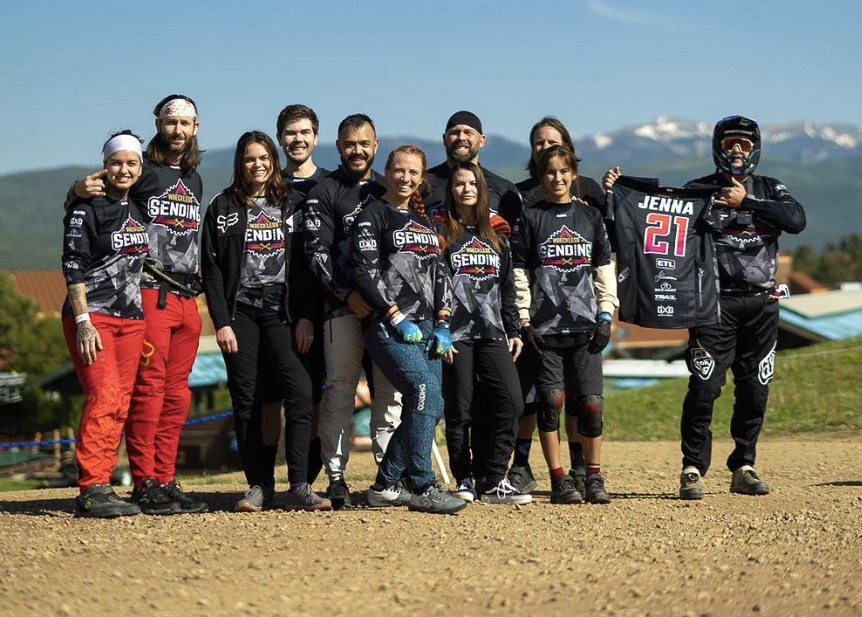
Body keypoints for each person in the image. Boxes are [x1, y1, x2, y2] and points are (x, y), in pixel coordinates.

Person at [604, 115, 806, 499]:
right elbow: (652, 218)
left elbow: (797, 220)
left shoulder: (770, 188)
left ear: (755, 150)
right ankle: (692, 468)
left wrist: (747, 201)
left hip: (762, 305)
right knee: (704, 386)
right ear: (717, 146)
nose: (736, 151)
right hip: (711, 305)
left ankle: (744, 465)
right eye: (730, 143)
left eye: (744, 145)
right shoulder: (699, 190)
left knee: (755, 388)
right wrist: (619, 194)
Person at [69, 94, 207, 515]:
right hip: (145, 293)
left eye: (186, 123)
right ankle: (143, 481)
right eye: (170, 122)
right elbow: (94, 196)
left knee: (176, 396)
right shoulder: (140, 170)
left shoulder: (194, 178)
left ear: (196, 128)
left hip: (186, 297)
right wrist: (74, 188)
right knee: (145, 392)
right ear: (158, 125)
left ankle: (164, 478)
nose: (178, 129)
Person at [201, 131, 331, 512]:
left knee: (301, 392)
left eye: (263, 158)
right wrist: (221, 322)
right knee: (248, 401)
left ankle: (300, 484)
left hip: (284, 312)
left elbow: (309, 267)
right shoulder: (222, 205)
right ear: (239, 164)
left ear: (273, 161)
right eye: (248, 159)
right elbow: (210, 269)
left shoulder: (295, 203)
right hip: (240, 314)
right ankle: (259, 486)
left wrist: (306, 315)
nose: (257, 165)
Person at [353, 145, 464, 515]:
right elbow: (364, 272)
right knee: (422, 390)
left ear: (421, 178)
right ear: (387, 170)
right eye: (399, 170)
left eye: (413, 173)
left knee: (432, 404)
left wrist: (445, 323)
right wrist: (395, 315)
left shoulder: (425, 223)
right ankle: (422, 484)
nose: (405, 178)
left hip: (430, 327)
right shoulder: (373, 216)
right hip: (388, 325)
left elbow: (441, 273)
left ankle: (386, 485)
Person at [509, 116, 611, 499]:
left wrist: (605, 315)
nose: (556, 178)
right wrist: (523, 319)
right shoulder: (531, 218)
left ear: (573, 173)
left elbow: (604, 271)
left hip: (585, 327)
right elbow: (519, 272)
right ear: (541, 175)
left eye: (563, 171)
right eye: (549, 172)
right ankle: (558, 477)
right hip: (546, 329)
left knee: (592, 405)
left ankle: (594, 475)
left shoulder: (590, 217)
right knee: (550, 402)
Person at [304, 114, 401, 509]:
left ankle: (388, 476)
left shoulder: (388, 189)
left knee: (391, 395)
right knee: (340, 392)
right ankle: (337, 478)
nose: (357, 150)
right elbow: (316, 253)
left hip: (387, 313)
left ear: (376, 146)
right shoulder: (323, 191)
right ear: (338, 146)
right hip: (340, 311)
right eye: (349, 143)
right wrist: (346, 296)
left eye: (364, 143)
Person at [62, 131, 149, 518]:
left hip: (131, 319)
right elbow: (72, 264)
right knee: (104, 397)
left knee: (121, 404)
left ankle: (105, 483)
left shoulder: (140, 208)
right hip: (92, 317)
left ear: (140, 167)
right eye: (117, 162)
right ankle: (91, 487)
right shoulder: (86, 208)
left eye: (131, 163)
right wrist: (82, 321)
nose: (123, 169)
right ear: (105, 165)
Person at [439, 162, 530, 505]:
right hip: (456, 335)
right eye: (459, 183)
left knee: (512, 401)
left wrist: (515, 328)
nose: (466, 188)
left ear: (481, 190)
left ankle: (493, 479)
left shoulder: (496, 237)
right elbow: (435, 287)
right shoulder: (444, 236)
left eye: (472, 183)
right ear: (451, 191)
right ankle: (464, 477)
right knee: (460, 410)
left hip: (493, 332)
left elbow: (507, 289)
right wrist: (441, 328)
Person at [257, 104, 331, 486]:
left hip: (319, 306)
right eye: (290, 133)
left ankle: (308, 469)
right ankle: (265, 477)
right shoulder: (267, 186)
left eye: (304, 132)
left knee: (313, 389)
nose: (297, 139)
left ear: (316, 137)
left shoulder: (330, 185)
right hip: (271, 307)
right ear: (280, 139)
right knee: (269, 394)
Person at [425, 111, 523, 234]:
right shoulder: (424, 182)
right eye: (455, 132)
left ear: (482, 140)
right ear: (444, 139)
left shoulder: (504, 188)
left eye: (468, 132)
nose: (461, 137)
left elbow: (516, 240)